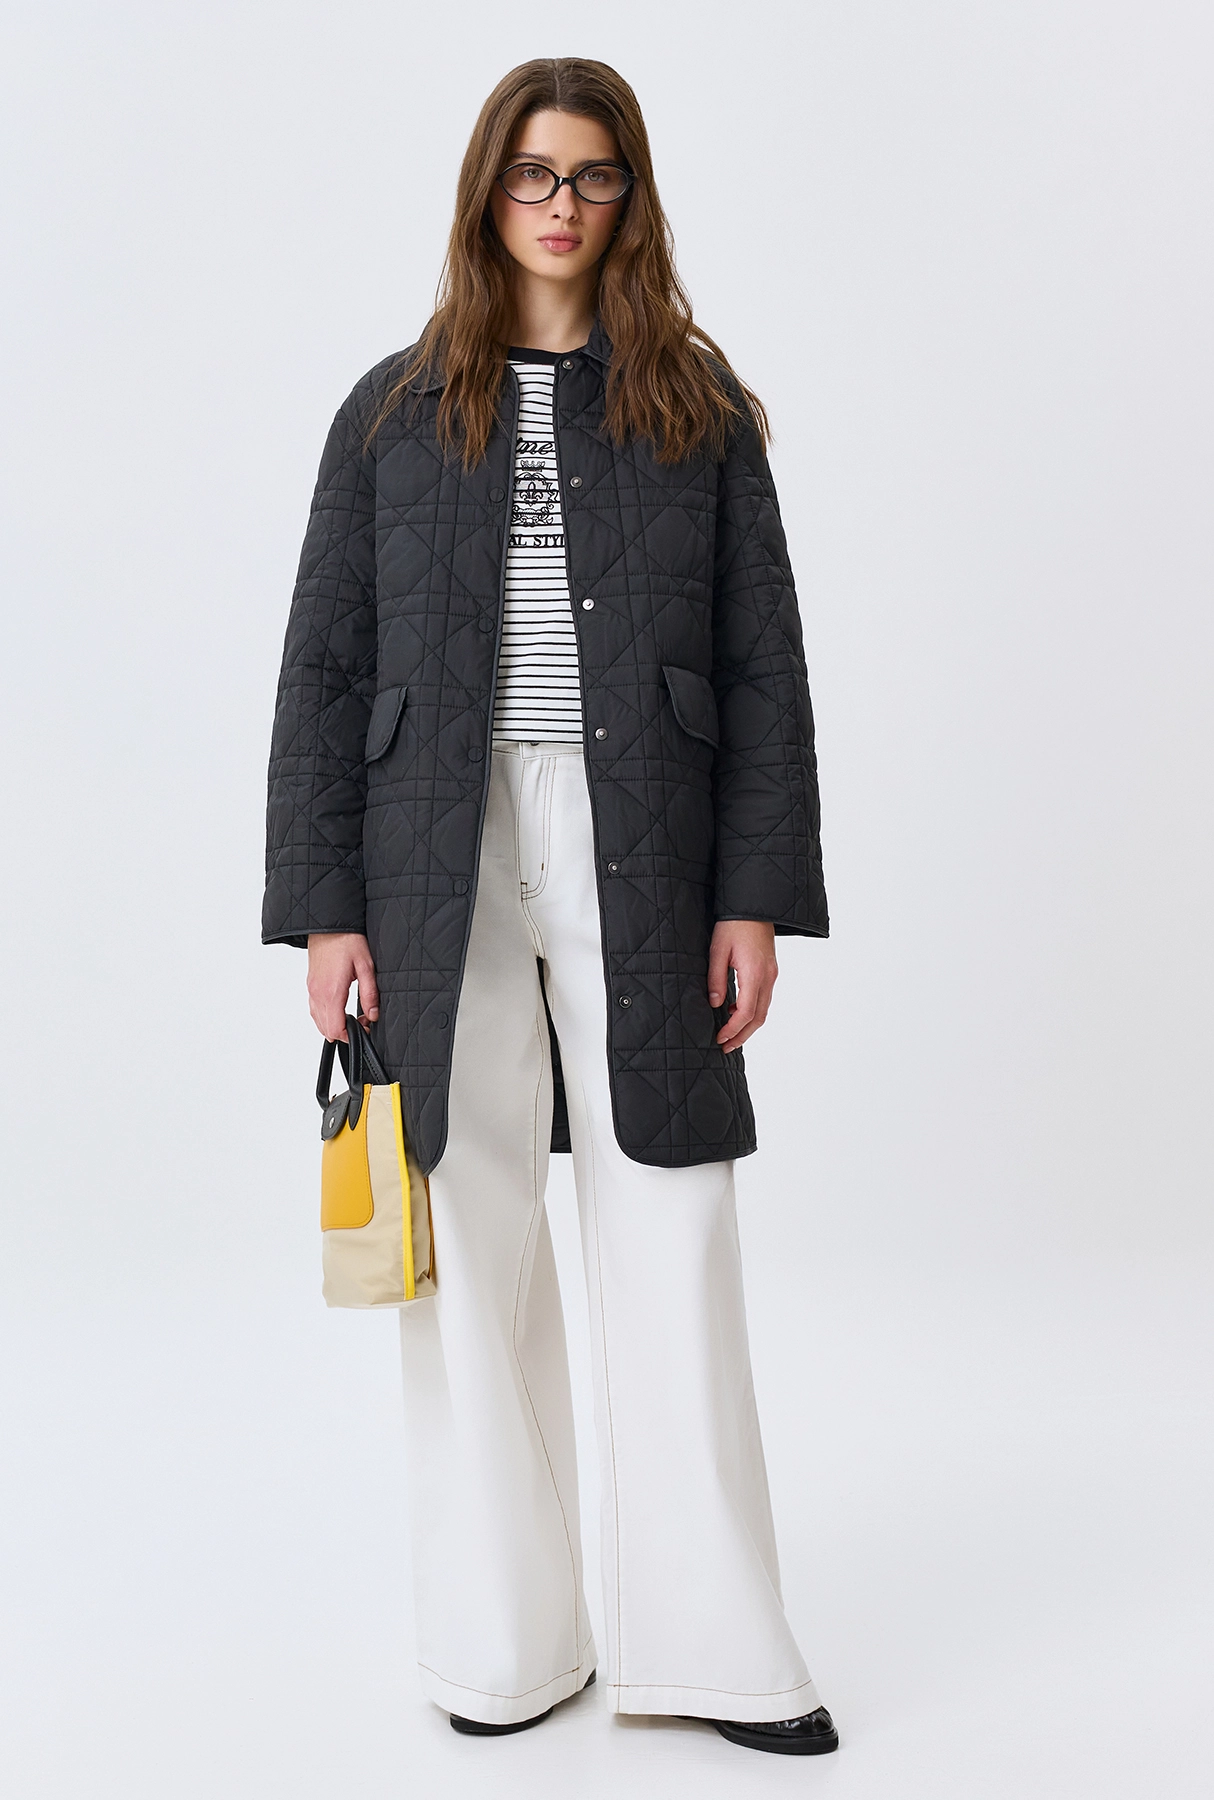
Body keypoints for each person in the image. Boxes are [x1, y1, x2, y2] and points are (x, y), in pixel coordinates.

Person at [263, 57, 835, 1756]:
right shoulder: (387, 413)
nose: (560, 205)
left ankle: (721, 1657)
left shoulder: (695, 411)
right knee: (467, 1241)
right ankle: (503, 1652)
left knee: (671, 1218)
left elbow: (763, 666)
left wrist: (753, 896)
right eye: (532, 174)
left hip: (641, 838)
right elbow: (322, 669)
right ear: (485, 194)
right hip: (431, 851)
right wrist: (325, 909)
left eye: (591, 176)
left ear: (629, 197)